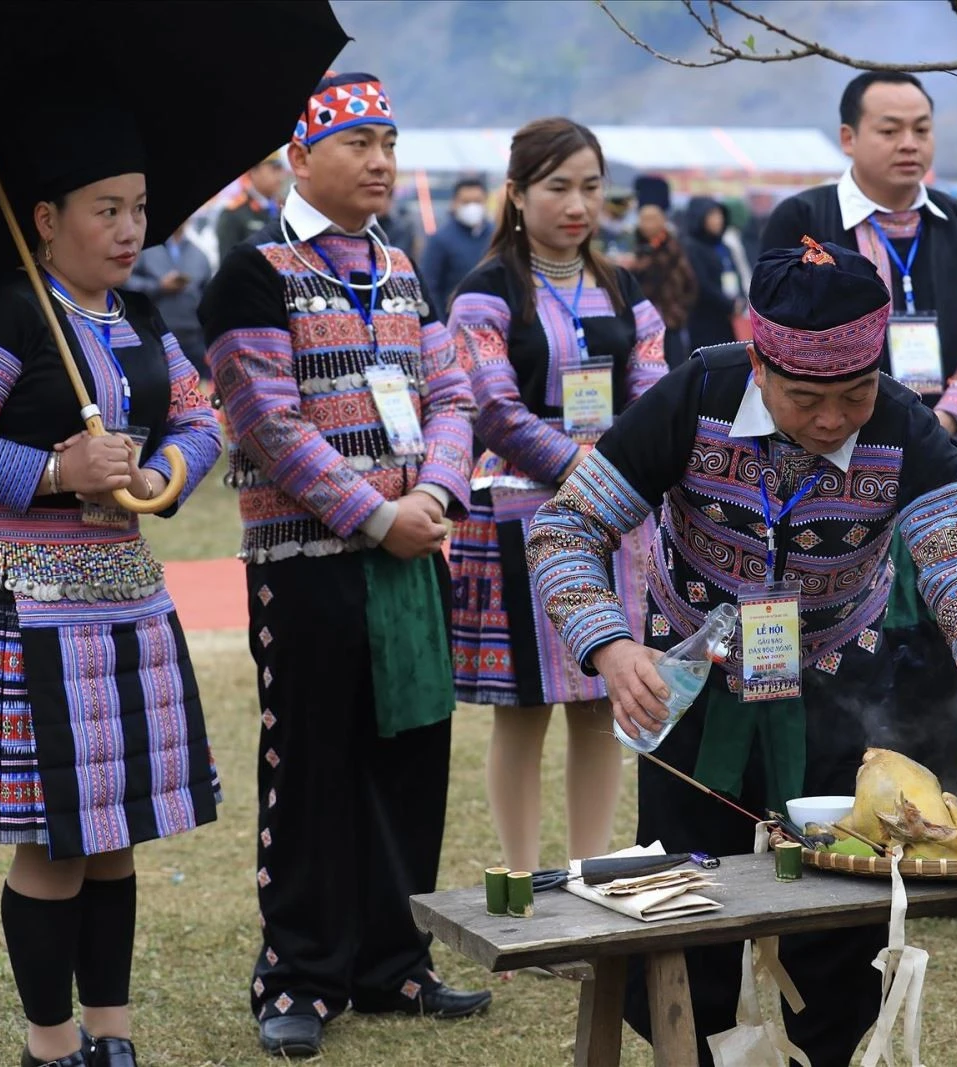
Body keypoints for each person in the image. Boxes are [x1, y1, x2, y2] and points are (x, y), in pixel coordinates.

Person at [526, 238, 957, 1066]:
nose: (832, 418)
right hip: (693, 695)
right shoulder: (696, 395)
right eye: (805, 398)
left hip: (841, 701)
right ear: (761, 364)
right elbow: (565, 528)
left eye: (855, 393)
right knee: (685, 919)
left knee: (843, 935)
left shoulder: (905, 429)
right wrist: (611, 646)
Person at [0, 108, 222, 1067]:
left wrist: (165, 475)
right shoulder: (0, 310)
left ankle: (113, 1036)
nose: (131, 229)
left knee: (116, 827)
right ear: (44, 217)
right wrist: (56, 471)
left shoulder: (136, 316)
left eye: (138, 209)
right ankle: (51, 1046)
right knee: (55, 836)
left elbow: (201, 412)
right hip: (24, 597)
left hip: (124, 591)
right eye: (106, 210)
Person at [198, 70, 490, 1058]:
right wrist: (378, 515)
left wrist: (437, 497)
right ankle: (300, 973)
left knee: (412, 757)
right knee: (311, 766)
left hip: (412, 554)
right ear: (300, 158)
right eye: (359, 143)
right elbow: (267, 422)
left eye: (389, 143)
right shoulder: (253, 273)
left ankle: (391, 959)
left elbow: (454, 396)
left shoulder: (402, 267)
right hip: (309, 560)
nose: (380, 161)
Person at [759, 70, 957, 794]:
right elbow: (771, 342)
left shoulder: (956, 221)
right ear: (849, 137)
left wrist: (948, 419)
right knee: (839, 640)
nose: (909, 143)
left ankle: (941, 827)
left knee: (939, 639)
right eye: (889, 128)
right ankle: (831, 821)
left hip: (932, 463)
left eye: (921, 128)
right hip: (830, 468)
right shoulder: (801, 218)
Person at [446, 117, 667, 877]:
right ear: (516, 193)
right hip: (513, 513)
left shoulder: (623, 286)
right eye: (558, 187)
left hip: (612, 523)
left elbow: (654, 387)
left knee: (604, 702)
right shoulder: (483, 294)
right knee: (523, 709)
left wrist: (620, 470)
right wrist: (595, 471)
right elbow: (493, 408)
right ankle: (518, 881)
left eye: (591, 188)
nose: (577, 204)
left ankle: (589, 877)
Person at [626, 174, 697, 368]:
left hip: (669, 323)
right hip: (638, 325)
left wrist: (677, 312)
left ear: (663, 220)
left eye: (653, 218)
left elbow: (690, 285)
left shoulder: (672, 248)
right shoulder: (632, 245)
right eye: (644, 218)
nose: (648, 223)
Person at [128, 223, 214, 380]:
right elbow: (126, 283)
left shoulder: (199, 254)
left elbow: (208, 299)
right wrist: (158, 286)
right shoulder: (145, 251)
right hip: (154, 335)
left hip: (192, 336)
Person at [419, 177, 494, 315]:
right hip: (454, 321)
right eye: (466, 202)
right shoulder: (440, 239)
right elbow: (430, 287)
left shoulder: (496, 236)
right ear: (454, 203)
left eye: (477, 201)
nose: (472, 207)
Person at [684, 196, 746, 351]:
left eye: (719, 215)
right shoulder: (692, 247)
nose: (717, 220)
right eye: (712, 215)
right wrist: (728, 304)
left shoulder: (725, 247)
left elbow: (737, 275)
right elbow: (701, 284)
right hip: (703, 320)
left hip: (728, 320)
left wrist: (741, 300)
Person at [215, 150, 285, 256]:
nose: (279, 175)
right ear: (253, 171)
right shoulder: (234, 213)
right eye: (273, 168)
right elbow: (227, 263)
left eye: (280, 168)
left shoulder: (282, 208)